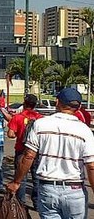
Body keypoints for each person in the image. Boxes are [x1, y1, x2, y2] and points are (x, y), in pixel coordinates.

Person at [7, 88, 94, 219]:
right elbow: (91, 166)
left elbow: (29, 156)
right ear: (79, 107)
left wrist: (17, 181)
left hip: (48, 188)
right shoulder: (85, 131)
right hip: (75, 191)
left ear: (57, 102)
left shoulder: (40, 124)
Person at [7, 94, 42, 206]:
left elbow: (10, 134)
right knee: (36, 178)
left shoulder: (17, 117)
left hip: (21, 150)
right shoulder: (40, 118)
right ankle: (37, 202)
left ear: (24, 103)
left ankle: (21, 203)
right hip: (36, 151)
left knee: (21, 177)